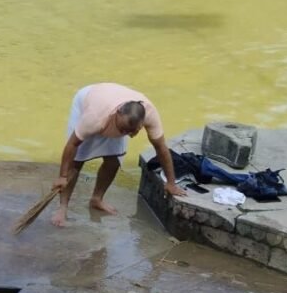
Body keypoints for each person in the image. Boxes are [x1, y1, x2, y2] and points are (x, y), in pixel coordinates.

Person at [50, 83, 186, 225]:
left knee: (114, 161)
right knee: (76, 163)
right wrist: (62, 176)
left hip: (111, 109)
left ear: (141, 124)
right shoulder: (94, 117)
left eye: (131, 132)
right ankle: (62, 208)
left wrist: (171, 183)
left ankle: (97, 199)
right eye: (122, 129)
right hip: (90, 102)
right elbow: (72, 145)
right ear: (118, 113)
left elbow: (161, 148)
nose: (125, 134)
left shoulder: (150, 115)